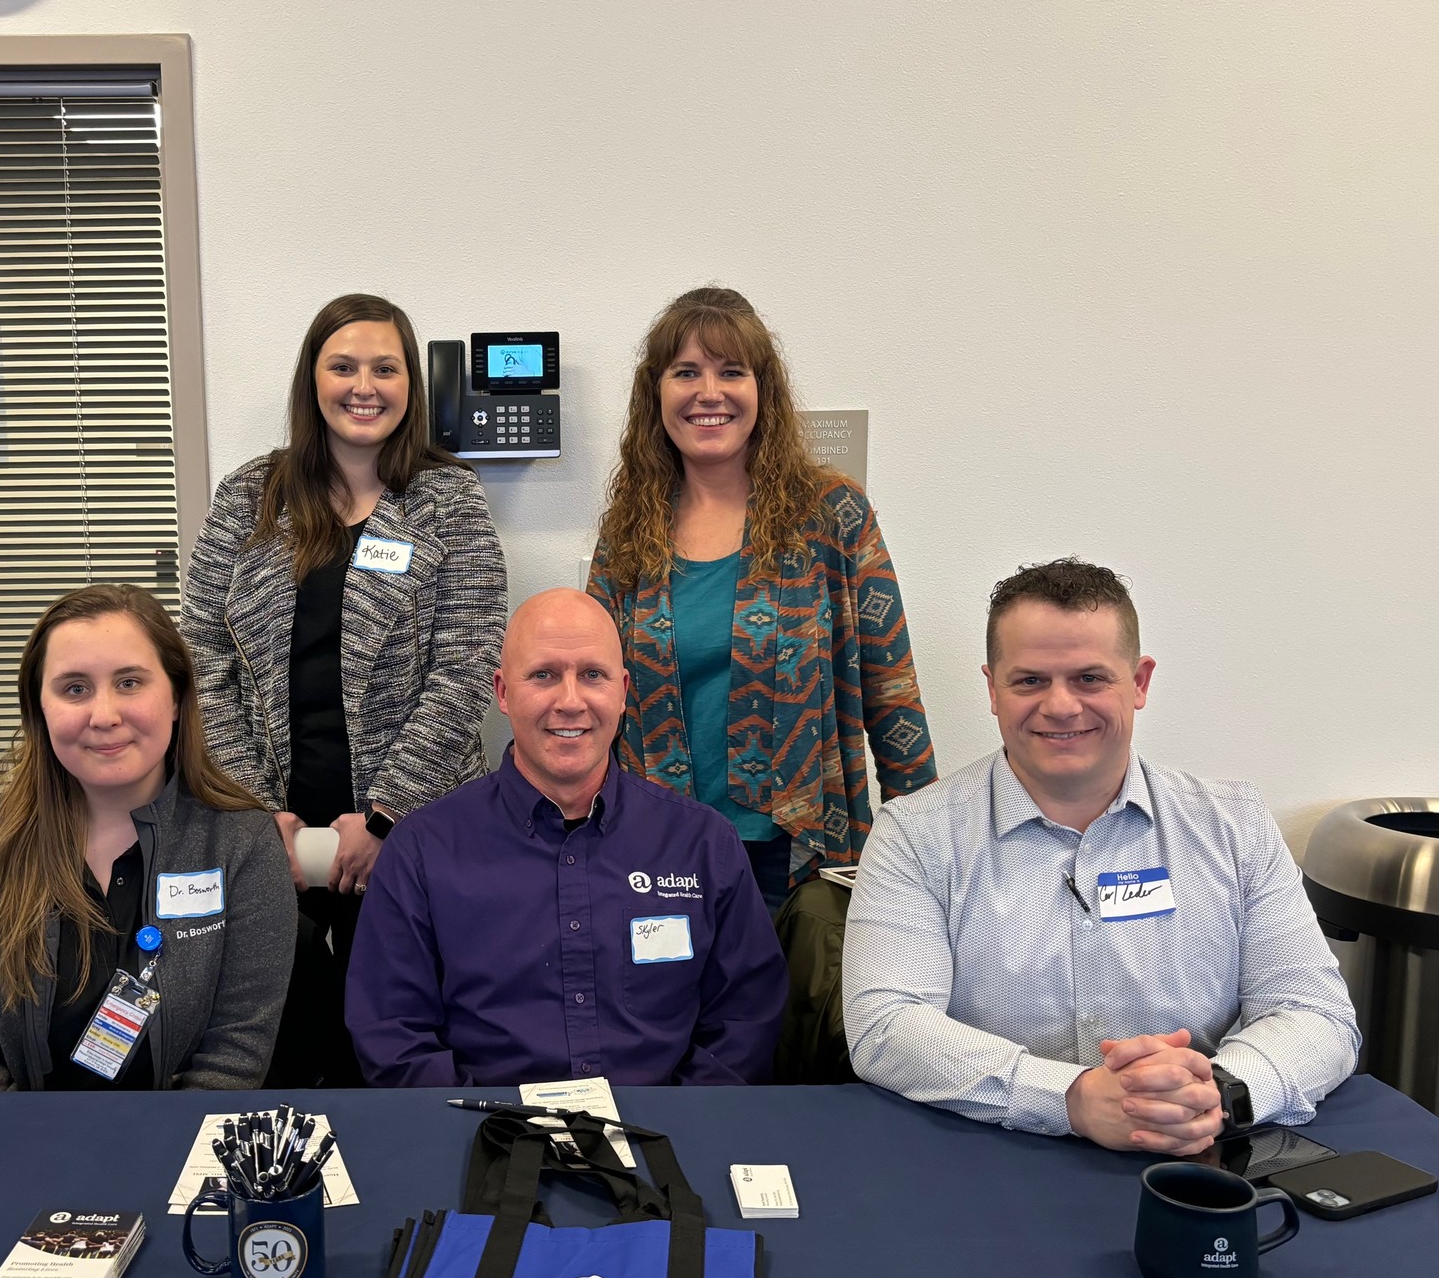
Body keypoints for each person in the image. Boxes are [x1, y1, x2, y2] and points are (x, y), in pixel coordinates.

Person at [842, 559, 1360, 1154]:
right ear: (992, 689)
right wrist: (1070, 1098)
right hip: (988, 1159)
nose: (1061, 706)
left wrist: (1215, 1093)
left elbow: (1316, 1014)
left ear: (1139, 683)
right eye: (1030, 680)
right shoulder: (915, 836)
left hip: (1194, 1157)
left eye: (1090, 678)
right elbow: (886, 1026)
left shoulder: (1234, 826)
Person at [184, 294, 508, 1086]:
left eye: (385, 368)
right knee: (285, 1052)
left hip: (416, 831)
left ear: (409, 385)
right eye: (344, 366)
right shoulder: (249, 497)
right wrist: (259, 815)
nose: (365, 386)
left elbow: (467, 661)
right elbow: (202, 658)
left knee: (398, 1051)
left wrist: (385, 816)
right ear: (313, 380)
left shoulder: (447, 499)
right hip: (270, 831)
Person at [344, 588, 789, 1087]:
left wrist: (681, 1127)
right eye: (544, 675)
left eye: (592, 675)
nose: (571, 702)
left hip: (666, 1143)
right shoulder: (422, 851)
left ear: (622, 692)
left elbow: (745, 1020)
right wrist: (485, 1135)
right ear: (503, 693)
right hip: (485, 1141)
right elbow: (392, 1034)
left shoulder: (703, 845)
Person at [588, 287, 936, 916]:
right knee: (672, 1013)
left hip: (801, 851)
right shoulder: (628, 530)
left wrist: (933, 847)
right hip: (656, 848)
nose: (709, 392)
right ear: (656, 393)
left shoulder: (834, 513)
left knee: (795, 1013)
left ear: (763, 390)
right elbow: (594, 689)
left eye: (732, 371)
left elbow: (891, 688)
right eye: (686, 372)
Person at [0, 585, 296, 1091]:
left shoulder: (242, 845)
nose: (104, 715)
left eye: (130, 682)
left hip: (183, 1149)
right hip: (19, 1149)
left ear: (179, 697)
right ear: (40, 710)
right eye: (74, 689)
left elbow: (234, 1058)